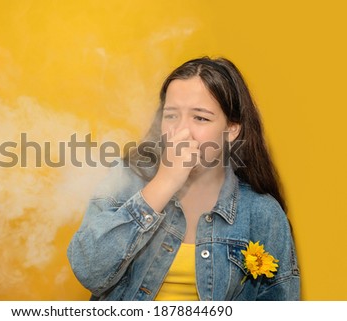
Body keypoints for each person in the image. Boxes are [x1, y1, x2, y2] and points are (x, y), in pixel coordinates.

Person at [67, 56, 300, 300]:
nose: (181, 131)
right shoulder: (125, 181)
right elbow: (88, 271)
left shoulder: (262, 214)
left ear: (232, 129)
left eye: (200, 118)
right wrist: (164, 183)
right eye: (171, 116)